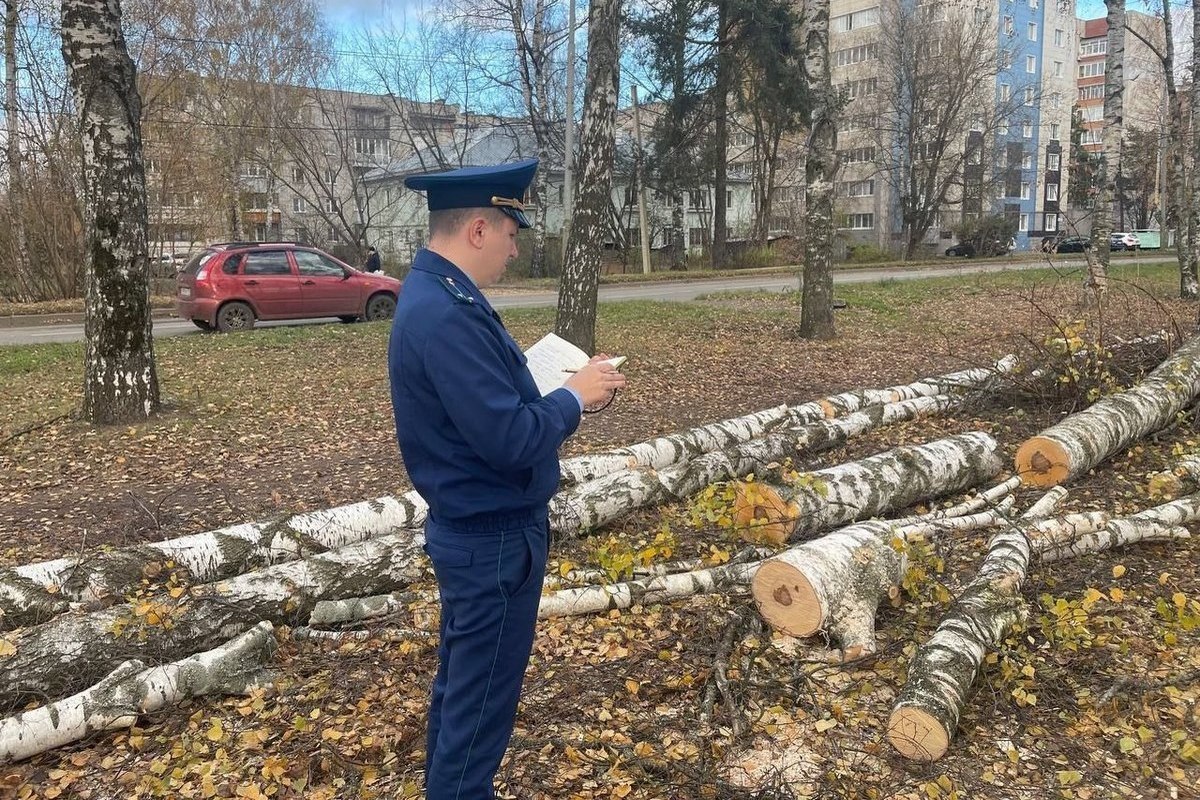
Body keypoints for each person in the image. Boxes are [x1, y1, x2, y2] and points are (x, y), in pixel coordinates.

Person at [388, 157, 626, 800]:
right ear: (477, 230)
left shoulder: (441, 295)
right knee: (480, 709)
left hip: (480, 530)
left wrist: (544, 387)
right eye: (512, 233)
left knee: (465, 695)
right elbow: (510, 438)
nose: (516, 249)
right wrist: (575, 396)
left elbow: (483, 411)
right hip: (492, 539)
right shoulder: (445, 311)